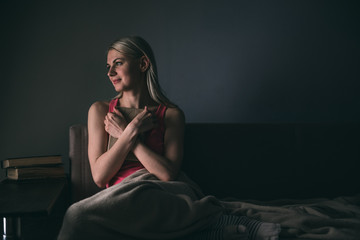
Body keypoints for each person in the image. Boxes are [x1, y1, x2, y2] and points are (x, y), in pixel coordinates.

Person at [57, 36, 281, 240]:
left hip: (162, 191)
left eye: (118, 63)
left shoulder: (172, 115)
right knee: (76, 216)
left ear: (143, 64)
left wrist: (128, 133)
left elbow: (167, 174)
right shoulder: (100, 111)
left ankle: (225, 224)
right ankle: (217, 228)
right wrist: (130, 132)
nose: (110, 72)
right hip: (121, 197)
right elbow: (99, 176)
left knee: (148, 196)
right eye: (108, 66)